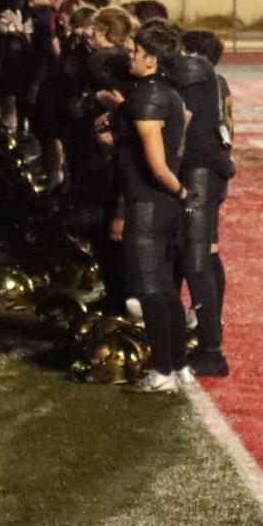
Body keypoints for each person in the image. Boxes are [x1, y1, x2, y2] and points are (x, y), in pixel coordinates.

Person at [109, 24, 192, 393]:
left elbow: (157, 165)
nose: (131, 56)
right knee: (166, 288)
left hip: (148, 202)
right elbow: (184, 121)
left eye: (137, 52)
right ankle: (179, 365)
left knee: (150, 289)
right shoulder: (165, 93)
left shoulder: (148, 98)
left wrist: (183, 192)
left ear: (152, 60)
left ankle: (162, 371)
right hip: (160, 204)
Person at [175, 30, 235, 378]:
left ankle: (211, 346)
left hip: (199, 172)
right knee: (207, 253)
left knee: (196, 258)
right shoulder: (219, 81)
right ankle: (210, 329)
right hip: (213, 170)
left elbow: (182, 126)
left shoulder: (196, 80)